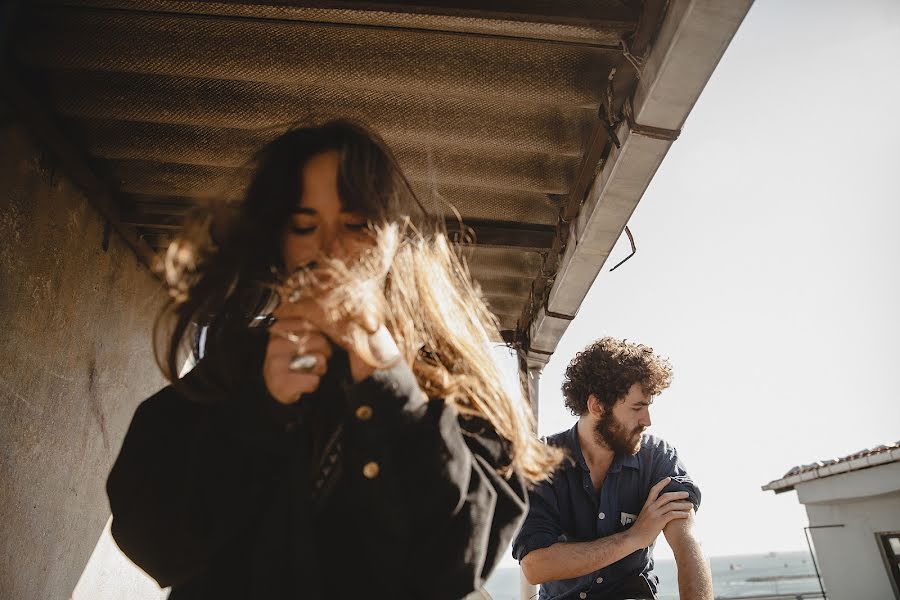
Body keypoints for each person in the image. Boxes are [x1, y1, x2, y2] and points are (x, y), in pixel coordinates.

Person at [106, 120, 562, 599]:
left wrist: (393, 393)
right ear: (279, 243)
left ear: (392, 238)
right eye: (305, 226)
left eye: (355, 225)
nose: (331, 251)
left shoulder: (450, 380)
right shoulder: (236, 364)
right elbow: (153, 542)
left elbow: (457, 564)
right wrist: (260, 413)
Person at [513, 337, 713, 600]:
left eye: (648, 407)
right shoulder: (540, 460)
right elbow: (535, 566)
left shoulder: (658, 458)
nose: (647, 420)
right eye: (637, 408)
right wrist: (633, 538)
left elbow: (687, 542)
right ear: (597, 406)